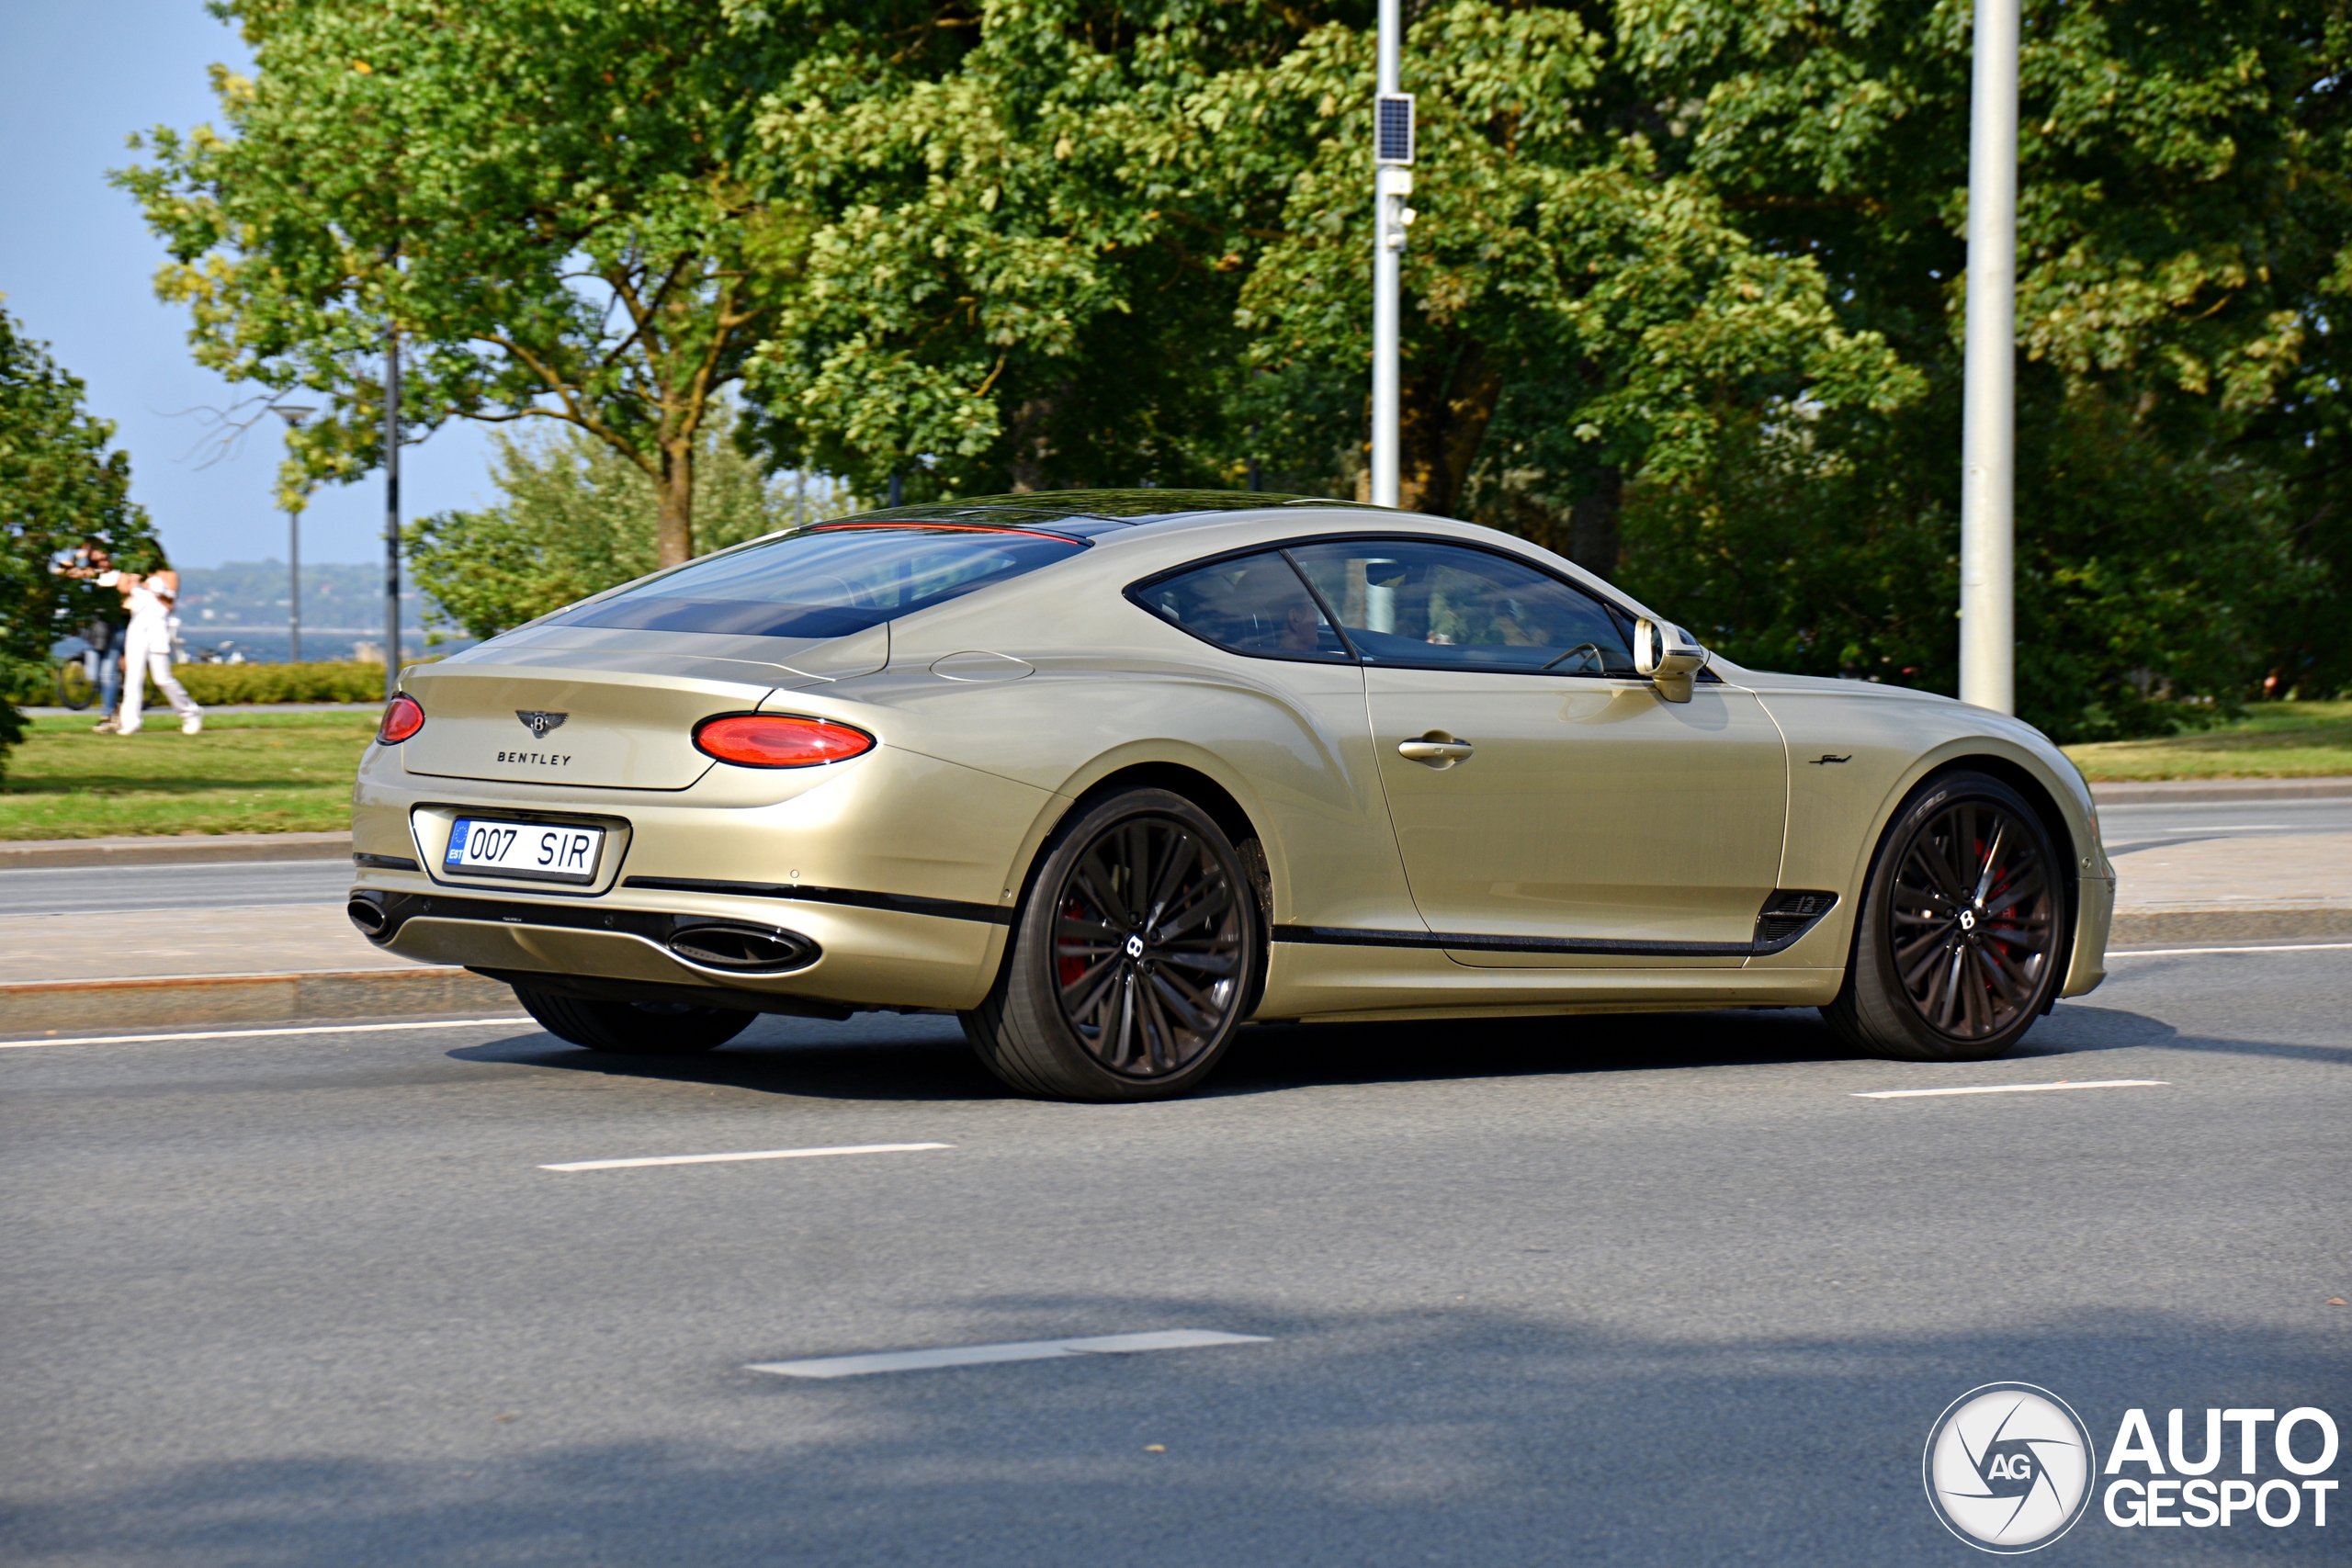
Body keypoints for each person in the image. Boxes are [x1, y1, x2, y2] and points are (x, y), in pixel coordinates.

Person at [101, 560, 202, 736]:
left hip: (157, 628)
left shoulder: (168, 575)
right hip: (137, 629)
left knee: (162, 678)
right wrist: (133, 581)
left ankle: (190, 712)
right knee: (133, 677)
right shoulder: (132, 572)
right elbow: (123, 593)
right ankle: (130, 721)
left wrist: (158, 590)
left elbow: (169, 605)